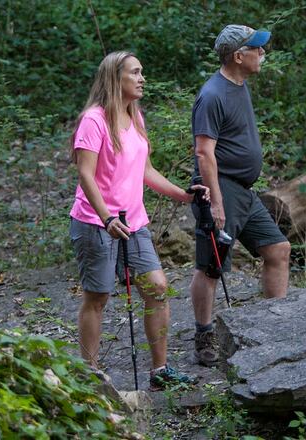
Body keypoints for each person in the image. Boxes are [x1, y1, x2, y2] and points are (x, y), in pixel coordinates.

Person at [69, 51, 208, 390]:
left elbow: (145, 171)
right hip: (95, 221)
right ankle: (89, 376)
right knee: (97, 297)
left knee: (157, 287)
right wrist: (105, 217)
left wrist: (184, 195)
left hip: (134, 222)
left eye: (142, 72)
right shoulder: (94, 120)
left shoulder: (136, 116)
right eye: (135, 72)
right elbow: (85, 174)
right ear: (116, 79)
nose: (142, 78)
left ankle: (160, 372)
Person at [189, 25, 291, 366]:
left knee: (277, 248)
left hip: (243, 192)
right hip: (222, 188)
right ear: (238, 56)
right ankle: (204, 335)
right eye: (257, 49)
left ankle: (273, 327)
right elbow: (204, 153)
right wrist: (215, 202)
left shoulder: (239, 86)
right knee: (211, 265)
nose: (263, 54)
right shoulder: (212, 94)